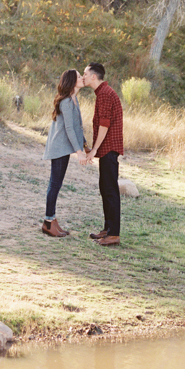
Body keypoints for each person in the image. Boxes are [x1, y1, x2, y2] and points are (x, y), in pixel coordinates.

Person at [80, 62, 123, 246]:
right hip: (106, 149)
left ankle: (114, 234)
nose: (83, 76)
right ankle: (107, 229)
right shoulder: (103, 93)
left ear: (93, 77)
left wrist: (95, 149)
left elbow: (104, 124)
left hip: (109, 149)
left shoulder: (105, 94)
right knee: (105, 189)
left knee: (110, 191)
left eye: (85, 73)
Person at [42, 68, 87, 238]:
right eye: (79, 77)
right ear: (71, 81)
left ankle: (52, 221)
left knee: (57, 184)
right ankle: (48, 221)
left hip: (64, 148)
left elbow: (77, 126)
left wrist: (84, 145)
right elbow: (68, 129)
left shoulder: (73, 100)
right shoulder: (66, 102)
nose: (82, 78)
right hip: (59, 148)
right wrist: (79, 152)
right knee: (54, 184)